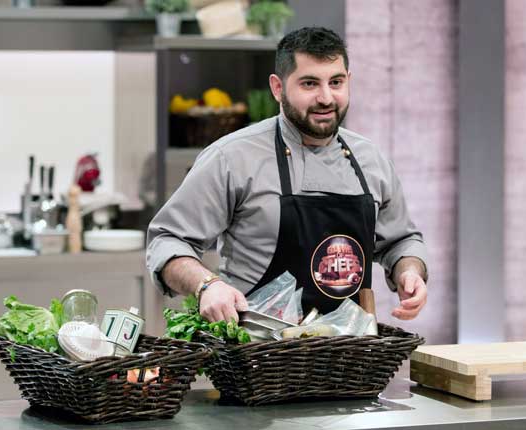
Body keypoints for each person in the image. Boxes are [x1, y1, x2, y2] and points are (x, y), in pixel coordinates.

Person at [146, 27, 428, 324]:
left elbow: (400, 241)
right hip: (258, 346)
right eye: (309, 83)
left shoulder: (371, 159)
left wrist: (409, 271)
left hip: (350, 348)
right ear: (277, 88)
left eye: (336, 82)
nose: (326, 98)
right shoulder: (232, 158)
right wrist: (207, 285)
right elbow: (167, 240)